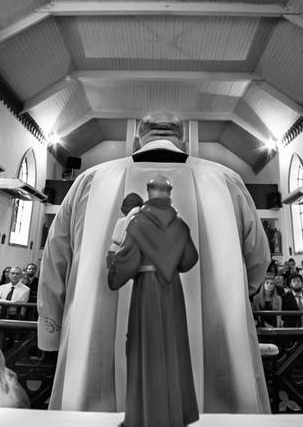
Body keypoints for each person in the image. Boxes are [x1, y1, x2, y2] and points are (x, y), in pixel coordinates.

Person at [38, 112, 270, 413]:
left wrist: (51, 337)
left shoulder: (90, 180)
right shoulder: (226, 180)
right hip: (200, 325)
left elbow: (55, 261)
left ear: (138, 137)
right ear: (182, 138)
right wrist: (229, 298)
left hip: (108, 330)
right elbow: (257, 260)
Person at [107, 174, 199, 427]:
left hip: (146, 291)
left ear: (149, 192)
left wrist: (112, 268)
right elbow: (189, 259)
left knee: (144, 349)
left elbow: (125, 264)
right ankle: (174, 417)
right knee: (173, 347)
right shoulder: (180, 225)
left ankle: (144, 418)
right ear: (169, 193)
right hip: (172, 291)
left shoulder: (137, 223)